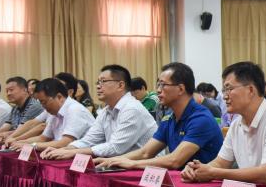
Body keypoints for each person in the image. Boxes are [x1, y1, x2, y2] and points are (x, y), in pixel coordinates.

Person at [181, 61, 266, 187]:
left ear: (250, 90)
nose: (224, 96)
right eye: (224, 90)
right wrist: (197, 169)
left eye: (229, 89)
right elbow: (221, 162)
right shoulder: (236, 125)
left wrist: (213, 173)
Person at [95, 62, 225, 170]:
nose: (157, 90)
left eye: (163, 85)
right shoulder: (169, 118)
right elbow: (145, 152)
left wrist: (132, 164)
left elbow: (175, 160)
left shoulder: (201, 118)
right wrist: (113, 160)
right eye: (158, 85)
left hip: (206, 185)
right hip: (182, 180)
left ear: (180, 89)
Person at [41, 65, 157, 160]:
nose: (98, 86)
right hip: (118, 163)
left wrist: (73, 152)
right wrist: (64, 149)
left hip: (145, 168)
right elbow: (89, 140)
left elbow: (115, 148)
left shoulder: (132, 109)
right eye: (97, 82)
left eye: (103, 81)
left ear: (120, 85)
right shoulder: (106, 110)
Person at [5, 77, 95, 152]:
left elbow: (64, 143)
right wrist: (20, 142)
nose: (43, 106)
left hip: (84, 156)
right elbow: (43, 138)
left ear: (59, 97)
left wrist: (32, 145)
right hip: (63, 153)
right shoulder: (54, 112)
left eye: (44, 102)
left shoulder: (75, 110)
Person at [0, 76, 43, 140]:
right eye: (7, 91)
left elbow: (20, 131)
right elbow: (6, 126)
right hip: (16, 140)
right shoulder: (15, 107)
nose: (8, 94)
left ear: (24, 90)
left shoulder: (33, 106)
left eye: (11, 90)